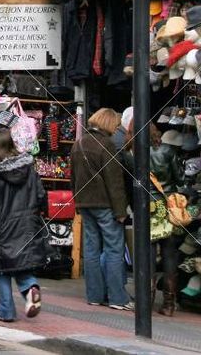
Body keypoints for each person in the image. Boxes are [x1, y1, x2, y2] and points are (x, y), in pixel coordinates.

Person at [0, 129, 48, 322]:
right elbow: (41, 196)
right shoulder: (30, 172)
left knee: (2, 268)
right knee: (22, 265)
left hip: (1, 228)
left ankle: (6, 309)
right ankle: (31, 287)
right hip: (28, 226)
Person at [71, 107, 131, 311]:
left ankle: (94, 295)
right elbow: (115, 182)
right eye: (115, 124)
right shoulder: (106, 145)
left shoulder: (78, 144)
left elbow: (74, 177)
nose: (116, 128)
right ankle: (117, 298)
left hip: (85, 204)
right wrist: (121, 211)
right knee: (114, 249)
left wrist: (77, 202)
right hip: (105, 204)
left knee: (91, 249)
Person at [127, 120, 182, 316]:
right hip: (167, 205)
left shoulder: (134, 154)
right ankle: (169, 303)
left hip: (147, 206)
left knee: (147, 253)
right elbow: (179, 179)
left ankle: (145, 301)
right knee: (169, 253)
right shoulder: (167, 151)